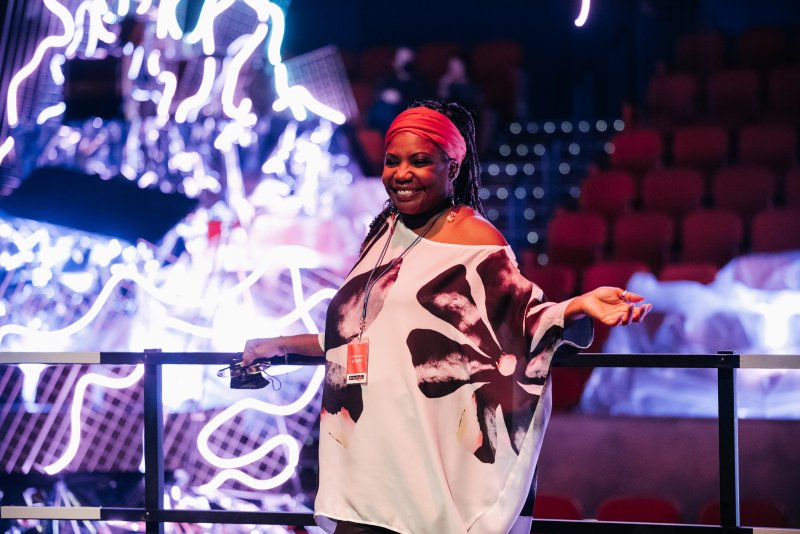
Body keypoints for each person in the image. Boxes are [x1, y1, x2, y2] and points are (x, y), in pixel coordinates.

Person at [242, 100, 651, 534]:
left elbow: (517, 321)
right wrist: (279, 345)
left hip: (422, 461)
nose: (402, 173)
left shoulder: (473, 237)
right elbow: (358, 333)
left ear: (452, 168)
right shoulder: (382, 235)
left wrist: (575, 306)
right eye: (392, 161)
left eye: (420, 161)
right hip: (365, 451)